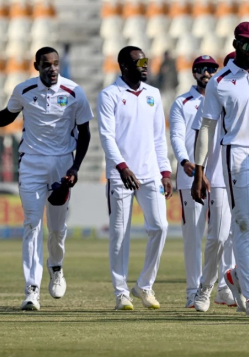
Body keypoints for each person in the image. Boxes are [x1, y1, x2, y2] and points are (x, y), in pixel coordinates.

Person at [192, 22, 249, 316]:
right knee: (243, 226)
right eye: (248, 44)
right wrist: (199, 170)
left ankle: (235, 275)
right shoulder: (219, 81)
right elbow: (207, 127)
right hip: (237, 153)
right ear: (236, 44)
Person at [0, 47, 93, 311]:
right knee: (31, 225)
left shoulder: (74, 92)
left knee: (57, 228)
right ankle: (32, 289)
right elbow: (7, 116)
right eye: (46, 64)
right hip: (30, 163)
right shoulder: (24, 91)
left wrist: (75, 167)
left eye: (55, 64)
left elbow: (85, 133)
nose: (52, 69)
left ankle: (56, 267)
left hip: (62, 165)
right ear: (36, 66)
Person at [97, 46, 172, 311]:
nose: (144, 65)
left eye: (145, 60)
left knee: (160, 227)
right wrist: (122, 167)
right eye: (138, 61)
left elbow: (158, 137)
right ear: (123, 66)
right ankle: (121, 292)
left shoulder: (153, 94)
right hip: (121, 176)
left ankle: (144, 285)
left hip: (151, 174)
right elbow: (106, 136)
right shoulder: (109, 95)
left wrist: (165, 171)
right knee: (119, 234)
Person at [169, 54, 235, 310]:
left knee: (224, 235)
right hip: (191, 176)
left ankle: (222, 288)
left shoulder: (224, 97)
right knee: (194, 236)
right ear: (194, 73)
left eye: (211, 69)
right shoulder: (183, 102)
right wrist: (184, 160)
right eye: (201, 69)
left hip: (219, 174)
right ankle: (193, 290)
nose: (206, 73)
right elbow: (176, 135)